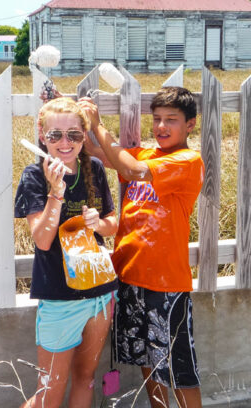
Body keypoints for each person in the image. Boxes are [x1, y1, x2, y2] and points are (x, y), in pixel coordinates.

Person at [79, 87, 205, 408]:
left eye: (171, 120)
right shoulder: (146, 154)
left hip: (166, 284)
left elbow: (131, 170)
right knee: (149, 363)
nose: (161, 126)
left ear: (190, 125)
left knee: (178, 369)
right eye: (157, 119)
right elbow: (99, 153)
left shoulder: (187, 160)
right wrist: (79, 120)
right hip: (130, 277)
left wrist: (99, 125)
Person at [14, 97, 118, 408]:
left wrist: (97, 224)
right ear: (41, 134)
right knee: (49, 393)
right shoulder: (33, 176)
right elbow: (43, 240)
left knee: (86, 379)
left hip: (100, 296)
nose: (64, 142)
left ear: (83, 136)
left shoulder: (95, 168)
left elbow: (113, 223)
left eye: (73, 134)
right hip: (59, 299)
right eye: (55, 135)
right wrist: (56, 192)